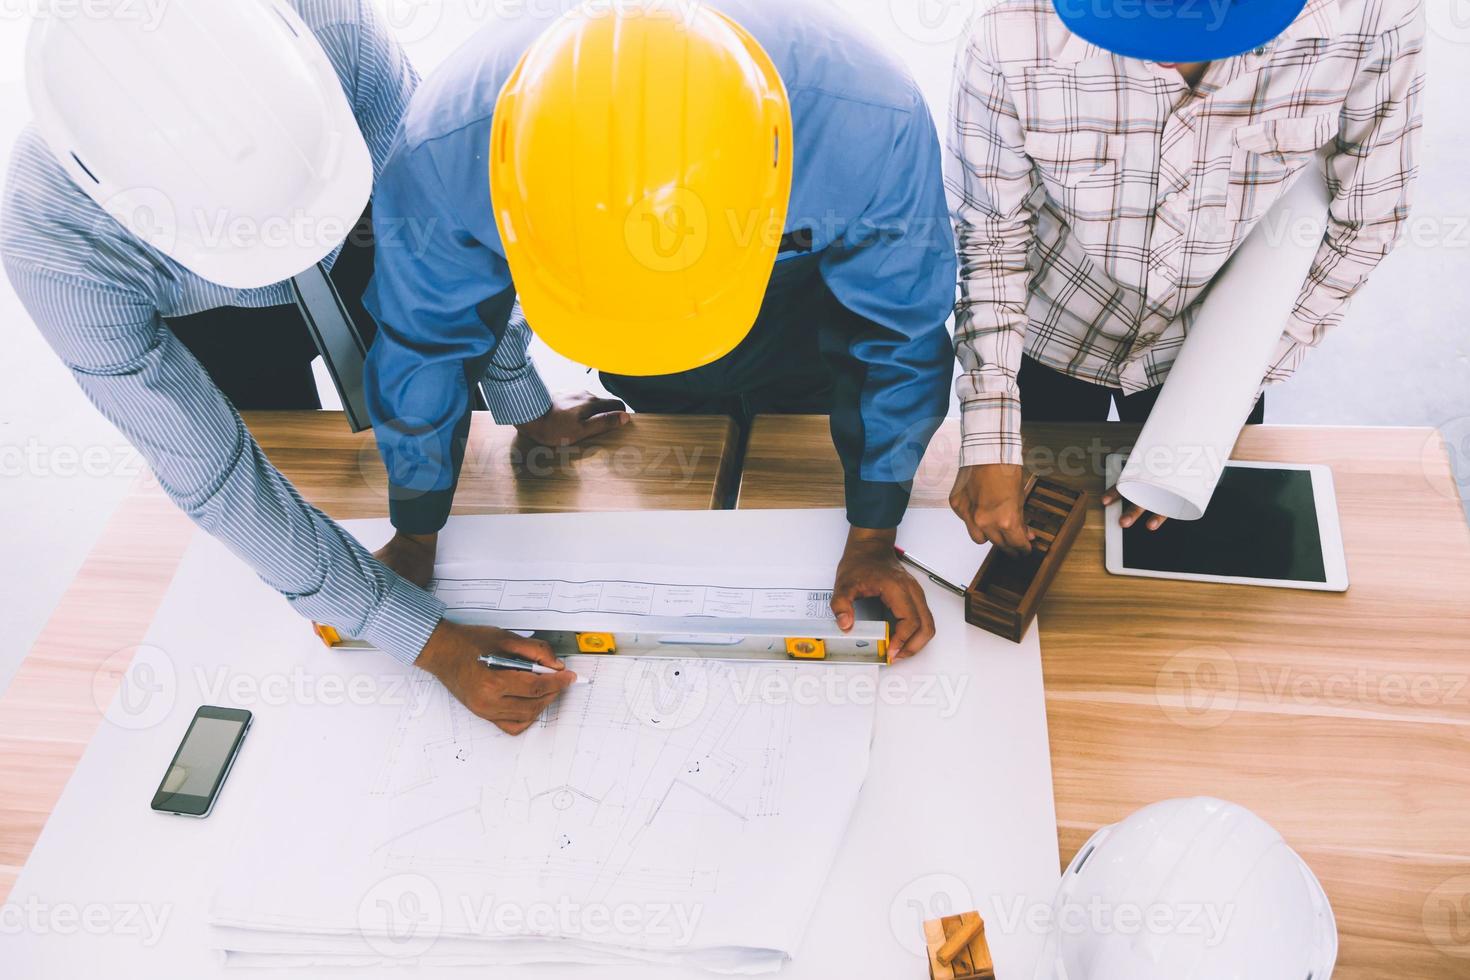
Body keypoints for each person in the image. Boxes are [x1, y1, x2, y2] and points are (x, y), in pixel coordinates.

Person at [2, 0, 576, 735]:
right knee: (288, 456)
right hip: (208, 319)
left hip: (364, 220)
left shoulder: (333, 31)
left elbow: (456, 247)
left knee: (432, 370)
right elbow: (219, 478)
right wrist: (424, 641)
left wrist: (520, 398)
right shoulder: (55, 245)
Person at [363, 0, 958, 660]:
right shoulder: (444, 151)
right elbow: (426, 342)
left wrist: (874, 533)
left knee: (792, 465)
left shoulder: (866, 122)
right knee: (681, 471)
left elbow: (898, 334)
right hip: (652, 348)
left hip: (799, 304)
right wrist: (417, 530)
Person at [946, 0, 1423, 546]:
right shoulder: (1008, 28)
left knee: (1193, 565)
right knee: (1033, 543)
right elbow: (991, 235)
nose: (1161, 55)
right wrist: (988, 437)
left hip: (1216, 344)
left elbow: (1367, 220)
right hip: (1050, 326)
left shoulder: (1373, 17)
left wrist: (1208, 409)